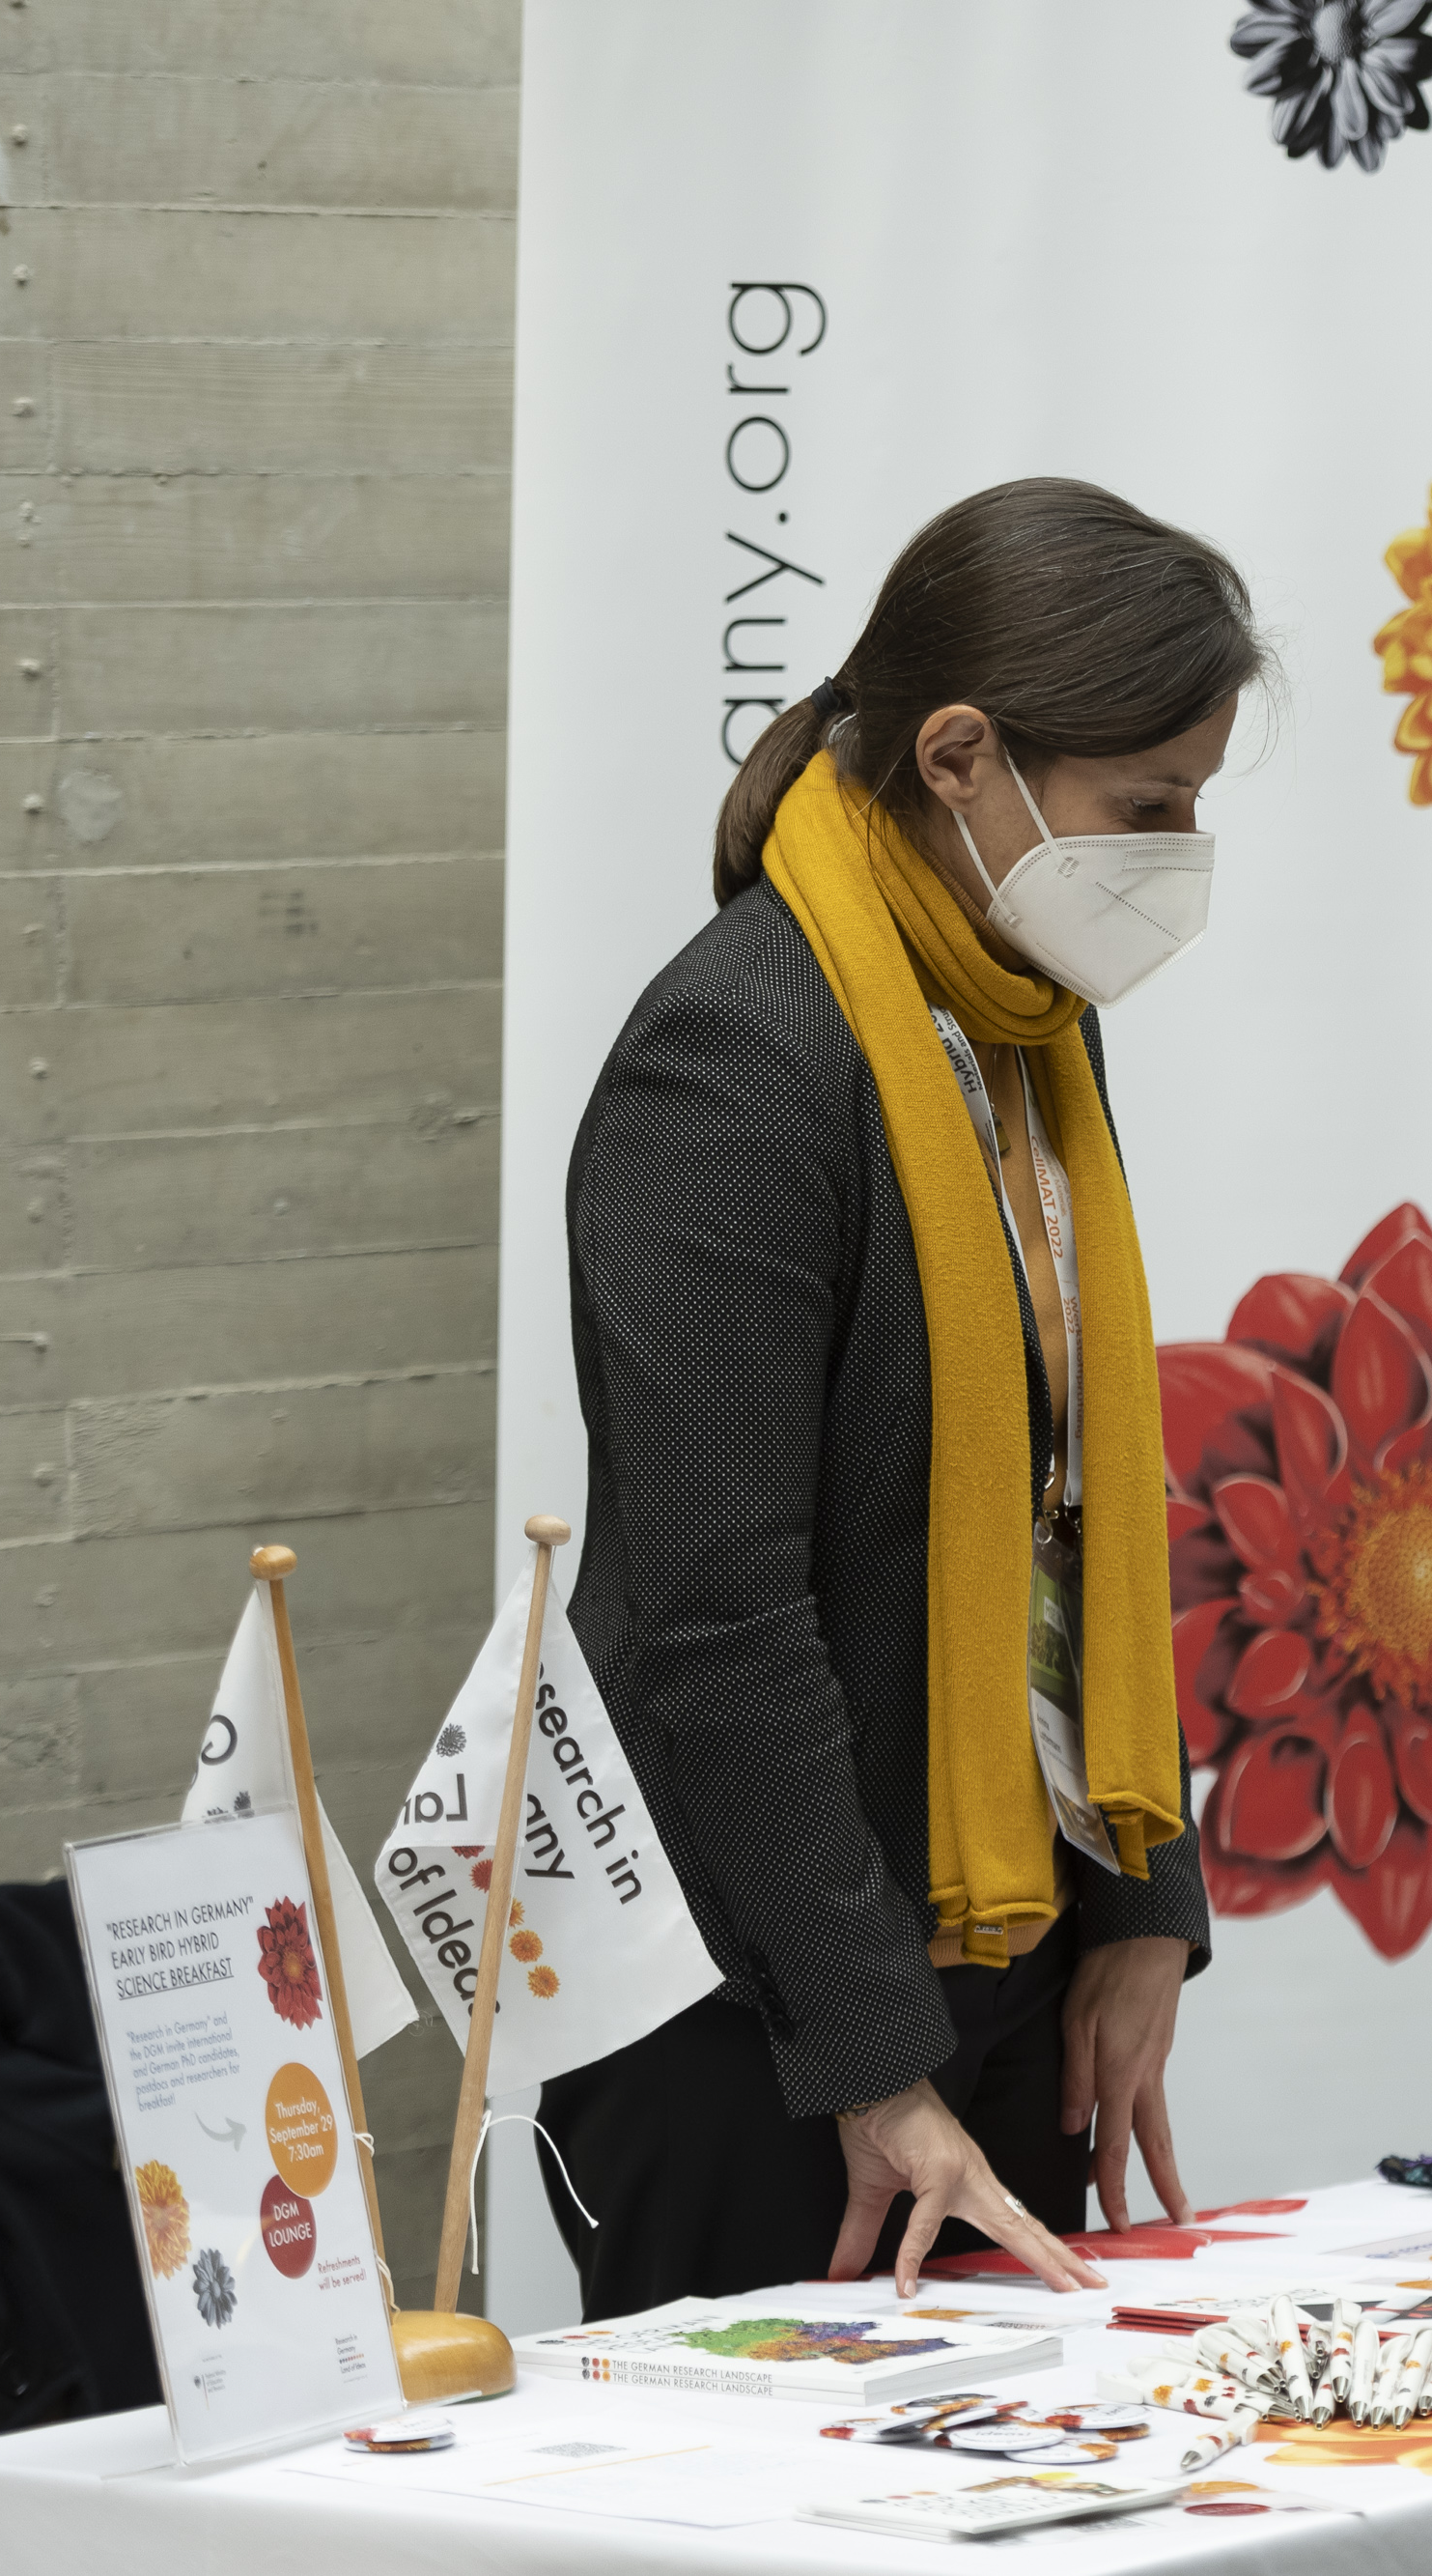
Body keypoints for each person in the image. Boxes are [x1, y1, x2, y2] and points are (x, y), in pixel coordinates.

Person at [536, 480, 1263, 2309]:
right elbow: (715, 1620)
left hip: (1003, 1960)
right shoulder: (734, 1058)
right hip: (758, 2022)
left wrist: (1143, 1909)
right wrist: (870, 2056)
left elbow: (1086, 1487)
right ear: (959, 756)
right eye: (1150, 806)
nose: (1180, 852)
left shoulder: (1029, 1018)